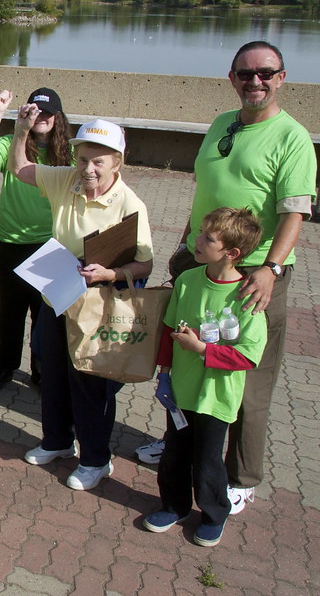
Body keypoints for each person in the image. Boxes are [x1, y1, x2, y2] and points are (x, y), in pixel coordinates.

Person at [138, 40, 316, 514]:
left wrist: (270, 270)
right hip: (201, 264)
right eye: (244, 73)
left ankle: (243, 476)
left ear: (281, 77)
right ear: (232, 77)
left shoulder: (291, 137)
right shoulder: (222, 123)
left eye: (264, 72)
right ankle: (184, 442)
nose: (253, 81)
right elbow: (203, 194)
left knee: (247, 375)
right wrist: (183, 245)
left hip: (251, 275)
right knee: (189, 355)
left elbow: (295, 212)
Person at [10, 117, 154, 490]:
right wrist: (22, 132)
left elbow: (145, 263)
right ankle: (57, 441)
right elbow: (20, 168)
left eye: (98, 162)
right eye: (83, 158)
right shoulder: (65, 179)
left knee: (89, 382)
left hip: (97, 304)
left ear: (117, 162)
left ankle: (95, 459)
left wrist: (108, 274)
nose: (88, 169)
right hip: (57, 295)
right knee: (53, 372)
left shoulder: (129, 203)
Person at [144, 207, 265, 547]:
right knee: (175, 452)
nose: (195, 241)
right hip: (181, 391)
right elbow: (169, 329)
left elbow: (246, 356)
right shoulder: (186, 281)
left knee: (208, 459)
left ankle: (214, 514)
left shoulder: (247, 296)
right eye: (199, 233)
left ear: (232, 253)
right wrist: (164, 376)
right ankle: (174, 506)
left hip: (216, 398)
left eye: (207, 238)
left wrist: (200, 349)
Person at [0, 87, 72, 392]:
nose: (40, 118)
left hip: (49, 244)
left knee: (45, 313)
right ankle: (5, 366)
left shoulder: (68, 151)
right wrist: (1, 112)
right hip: (9, 243)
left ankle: (42, 369)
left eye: (47, 113)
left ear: (57, 117)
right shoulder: (12, 143)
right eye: (35, 112)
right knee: (10, 311)